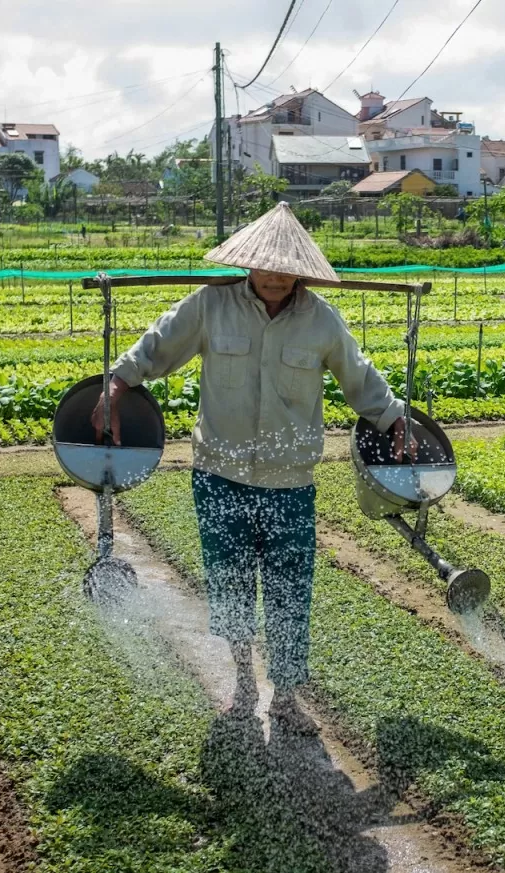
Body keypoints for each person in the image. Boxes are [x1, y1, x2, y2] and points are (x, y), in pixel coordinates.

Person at [93, 202, 413, 734]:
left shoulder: (321, 321)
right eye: (264, 264)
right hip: (219, 476)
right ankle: (243, 685)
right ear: (247, 263)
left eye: (285, 268)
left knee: (290, 591)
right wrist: (117, 383)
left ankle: (286, 698)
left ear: (302, 271)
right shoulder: (211, 306)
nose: (273, 275)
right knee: (231, 584)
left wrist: (395, 419)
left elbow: (361, 379)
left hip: (290, 483)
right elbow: (157, 345)